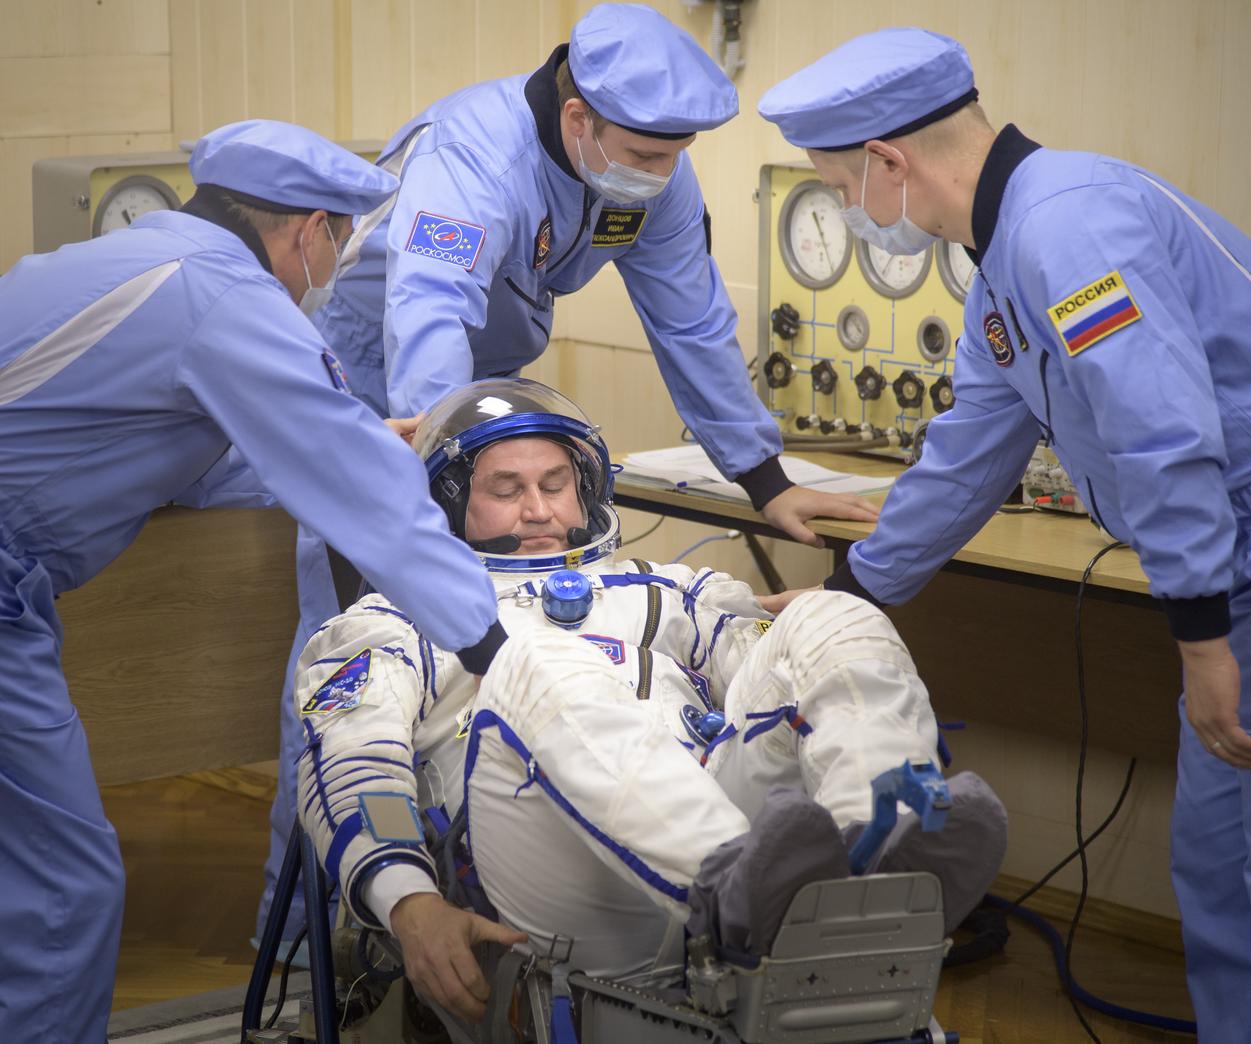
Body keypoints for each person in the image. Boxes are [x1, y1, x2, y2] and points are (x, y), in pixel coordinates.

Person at [258, 0, 880, 945]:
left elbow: (693, 321)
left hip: (493, 417)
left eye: (675, 156)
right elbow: (429, 317)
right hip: (389, 419)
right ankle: (314, 945)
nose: (662, 176)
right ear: (579, 117)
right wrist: (444, 486)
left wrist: (765, 480)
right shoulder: (472, 156)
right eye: (647, 153)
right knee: (361, 678)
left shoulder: (645, 172)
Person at [756, 28, 1251, 1041]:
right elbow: (971, 446)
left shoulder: (1066, 232)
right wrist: (849, 596)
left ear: (887, 163)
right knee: (1215, 872)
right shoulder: (1000, 255)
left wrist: (1203, 636)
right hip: (1233, 575)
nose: (847, 213)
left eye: (833, 186)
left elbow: (1162, 438)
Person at [0, 119, 508, 1042]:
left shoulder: (148, 255)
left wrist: (341, 444)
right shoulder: (227, 293)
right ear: (309, 229)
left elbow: (177, 449)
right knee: (62, 894)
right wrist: (496, 647)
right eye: (342, 242)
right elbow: (360, 487)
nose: (336, 264)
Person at [290, 378, 1006, 1021]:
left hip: (732, 848)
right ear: (447, 505)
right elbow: (357, 768)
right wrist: (409, 904)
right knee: (531, 662)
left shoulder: (669, 590)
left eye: (557, 483)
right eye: (506, 489)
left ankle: (881, 851)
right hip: (557, 890)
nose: (540, 509)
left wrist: (798, 637)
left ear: (587, 488)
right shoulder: (395, 620)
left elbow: (780, 673)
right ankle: (730, 882)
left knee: (832, 618)